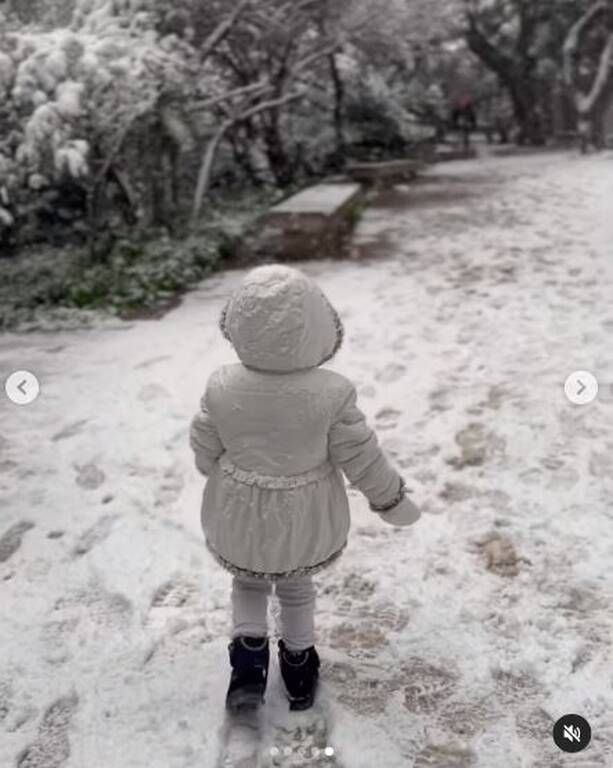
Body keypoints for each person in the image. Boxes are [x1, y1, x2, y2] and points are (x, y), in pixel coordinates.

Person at [189, 264, 421, 713]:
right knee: (296, 588)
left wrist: (210, 468)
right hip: (304, 515)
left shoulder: (222, 386)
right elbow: (361, 456)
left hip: (239, 508)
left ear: (239, 322)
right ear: (318, 327)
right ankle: (298, 666)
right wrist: (389, 498)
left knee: (248, 582)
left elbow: (205, 439)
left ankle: (248, 665)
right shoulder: (331, 393)